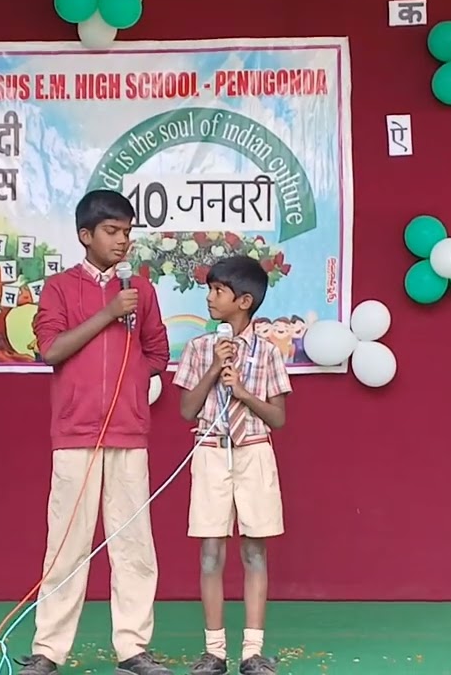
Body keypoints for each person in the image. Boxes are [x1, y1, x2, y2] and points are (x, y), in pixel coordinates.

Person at [16, 190, 173, 675]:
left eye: (127, 232)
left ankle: (133, 647)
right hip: (75, 432)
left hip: (128, 432)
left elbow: (157, 353)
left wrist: (128, 390)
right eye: (112, 231)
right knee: (66, 543)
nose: (122, 241)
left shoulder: (141, 291)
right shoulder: (60, 289)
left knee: (133, 544)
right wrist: (107, 314)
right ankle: (49, 649)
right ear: (86, 236)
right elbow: (51, 350)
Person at [172, 255, 292, 675]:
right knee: (210, 551)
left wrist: (242, 392)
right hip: (209, 450)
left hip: (255, 449)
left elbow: (278, 417)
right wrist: (212, 369)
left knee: (255, 549)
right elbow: (187, 408)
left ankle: (252, 651)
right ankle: (214, 650)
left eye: (217, 291)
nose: (209, 298)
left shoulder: (268, 354)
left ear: (243, 301)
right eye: (208, 290)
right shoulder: (200, 348)